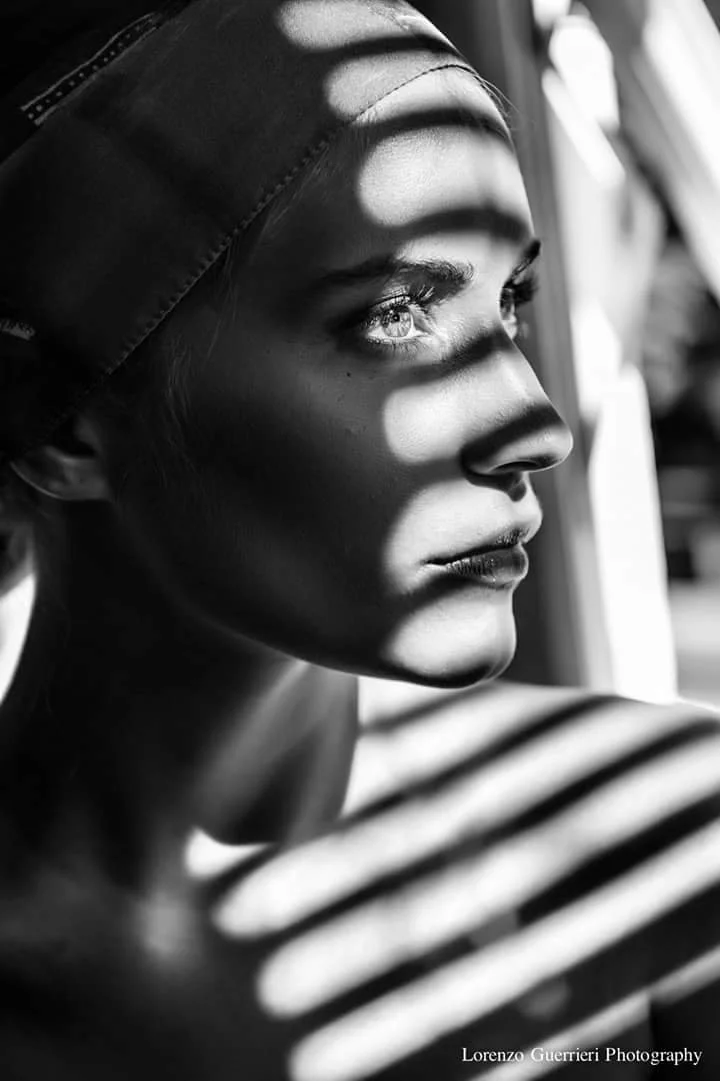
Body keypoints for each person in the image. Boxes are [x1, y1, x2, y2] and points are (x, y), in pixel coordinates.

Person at [1, 2, 719, 1077]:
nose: (542, 426)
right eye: (394, 314)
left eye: (509, 301)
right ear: (65, 425)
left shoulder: (668, 854)